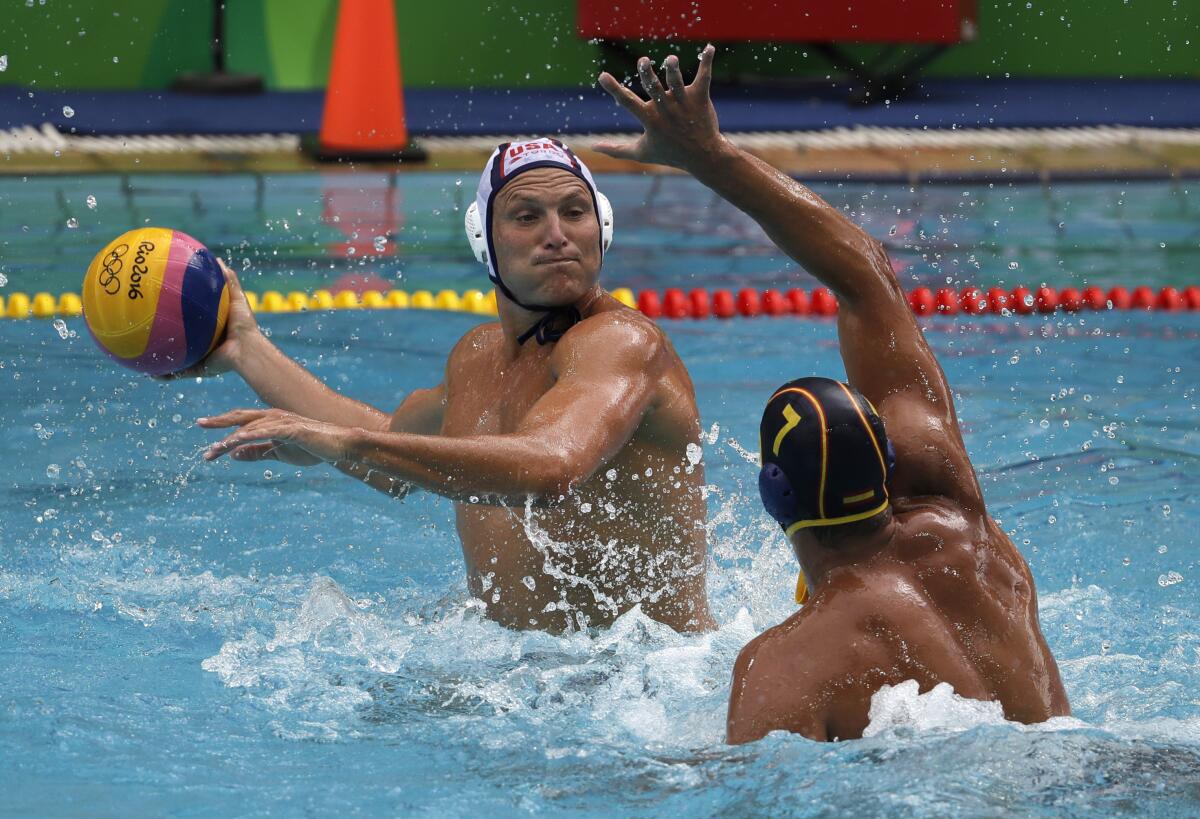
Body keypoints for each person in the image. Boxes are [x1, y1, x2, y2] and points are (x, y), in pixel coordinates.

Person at [592, 46, 1069, 742]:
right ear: (888, 454)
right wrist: (713, 156)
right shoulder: (960, 519)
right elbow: (867, 275)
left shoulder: (782, 665)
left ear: (774, 494)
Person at [194, 138, 715, 634]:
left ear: (601, 227)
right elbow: (394, 450)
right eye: (526, 216)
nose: (557, 234)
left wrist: (346, 444)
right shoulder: (477, 357)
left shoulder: (621, 342)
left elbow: (554, 465)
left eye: (574, 212)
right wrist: (246, 348)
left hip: (644, 682)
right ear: (484, 240)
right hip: (516, 670)